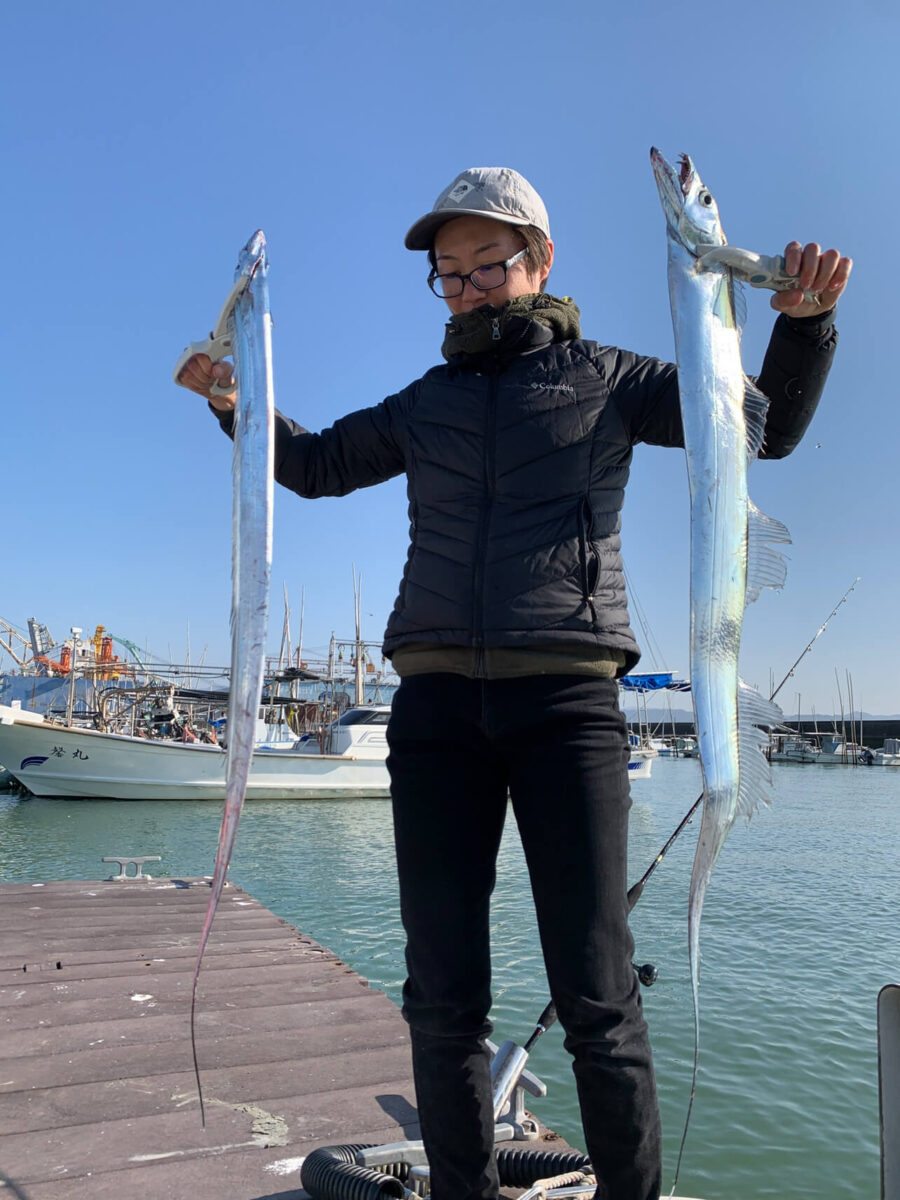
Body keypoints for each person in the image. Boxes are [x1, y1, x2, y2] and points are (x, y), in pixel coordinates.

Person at [176, 166, 851, 1200]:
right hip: (437, 708)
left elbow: (761, 427)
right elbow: (311, 467)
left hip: (566, 705)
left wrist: (804, 327)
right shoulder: (423, 405)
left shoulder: (615, 378)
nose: (467, 290)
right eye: (447, 276)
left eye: (486, 266)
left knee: (597, 992)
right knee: (442, 992)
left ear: (538, 261)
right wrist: (236, 404)